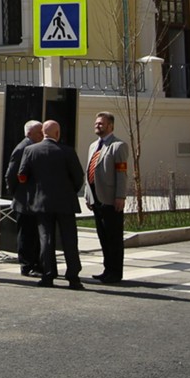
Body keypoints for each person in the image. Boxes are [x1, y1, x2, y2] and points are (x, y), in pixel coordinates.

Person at [21, 120, 86, 289]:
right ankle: (73, 277)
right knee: (69, 240)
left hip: (42, 202)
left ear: (43, 133)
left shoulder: (30, 150)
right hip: (65, 202)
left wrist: (34, 191)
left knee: (46, 239)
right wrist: (70, 190)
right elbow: (79, 177)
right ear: (58, 133)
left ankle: (48, 275)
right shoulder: (68, 151)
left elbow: (22, 175)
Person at [85, 112, 130, 284]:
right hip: (96, 200)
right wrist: (89, 196)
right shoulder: (93, 146)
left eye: (101, 124)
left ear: (111, 126)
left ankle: (115, 272)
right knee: (103, 237)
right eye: (96, 123)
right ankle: (107, 269)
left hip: (111, 200)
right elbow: (90, 171)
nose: (97, 126)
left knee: (114, 238)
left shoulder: (118, 146)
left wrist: (120, 196)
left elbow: (121, 173)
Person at [3, 119, 48, 277]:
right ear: (29, 133)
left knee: (33, 234)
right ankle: (26, 265)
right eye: (39, 133)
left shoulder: (34, 147)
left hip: (32, 200)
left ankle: (35, 263)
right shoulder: (23, 148)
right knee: (26, 235)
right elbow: (11, 174)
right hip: (24, 200)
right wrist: (16, 192)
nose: (42, 136)